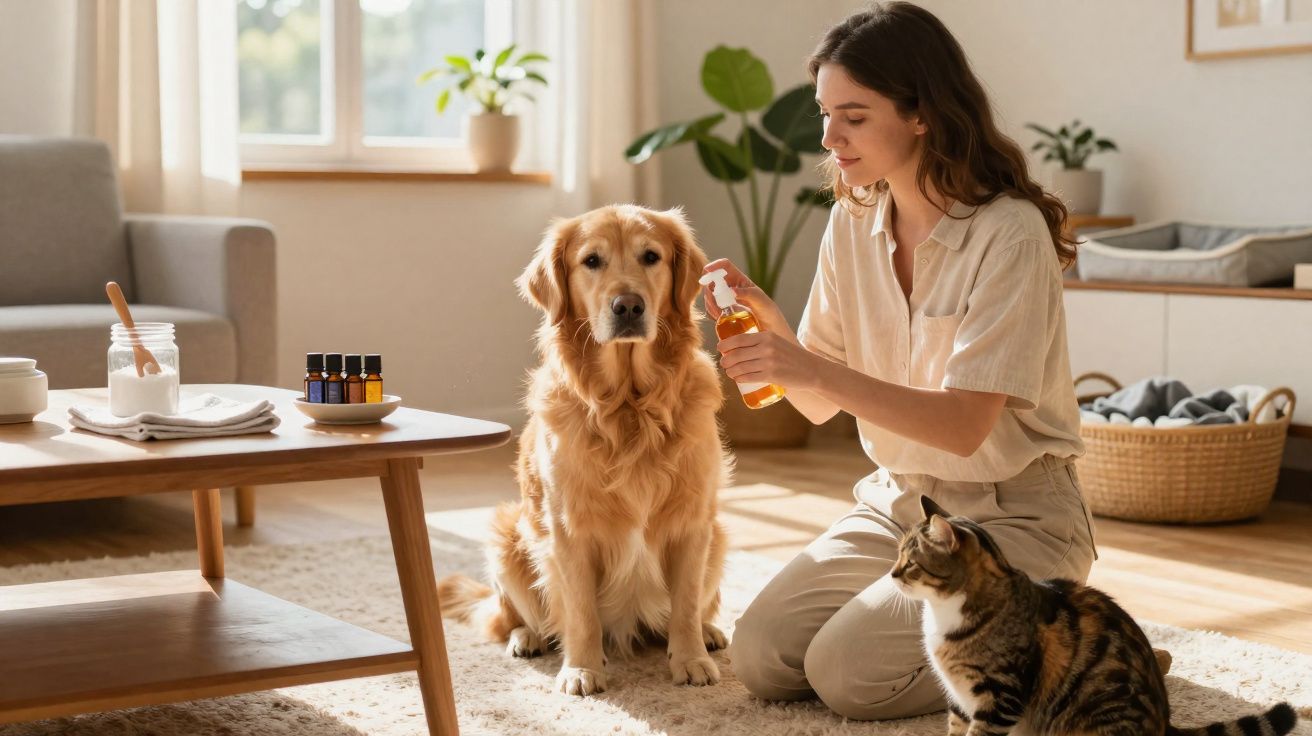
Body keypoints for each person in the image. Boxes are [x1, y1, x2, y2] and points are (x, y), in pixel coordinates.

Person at [704, 2, 1097, 721]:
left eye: (853, 115)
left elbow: (963, 429)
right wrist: (782, 343)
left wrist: (813, 369)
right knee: (761, 655)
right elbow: (819, 402)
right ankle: (1035, 650)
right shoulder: (851, 221)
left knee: (848, 674)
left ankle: (1068, 663)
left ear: (921, 114)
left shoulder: (1009, 233)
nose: (829, 137)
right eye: (825, 113)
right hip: (901, 505)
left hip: (1012, 518)